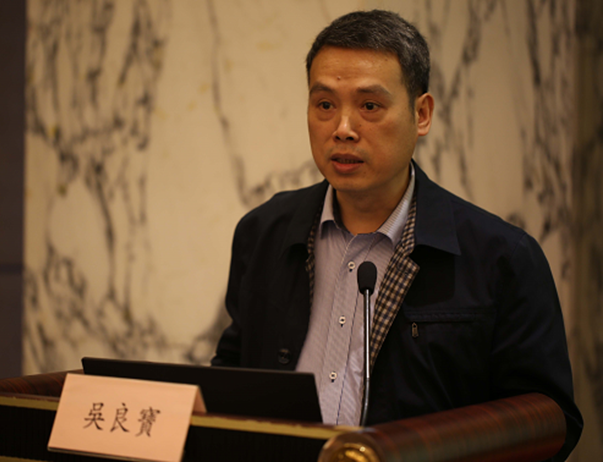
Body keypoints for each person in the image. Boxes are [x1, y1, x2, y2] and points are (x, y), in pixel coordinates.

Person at [211, 10, 582, 460]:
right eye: (325, 105)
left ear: (421, 114)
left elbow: (549, 421)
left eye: (369, 106)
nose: (343, 129)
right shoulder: (263, 231)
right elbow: (232, 373)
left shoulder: (502, 256)